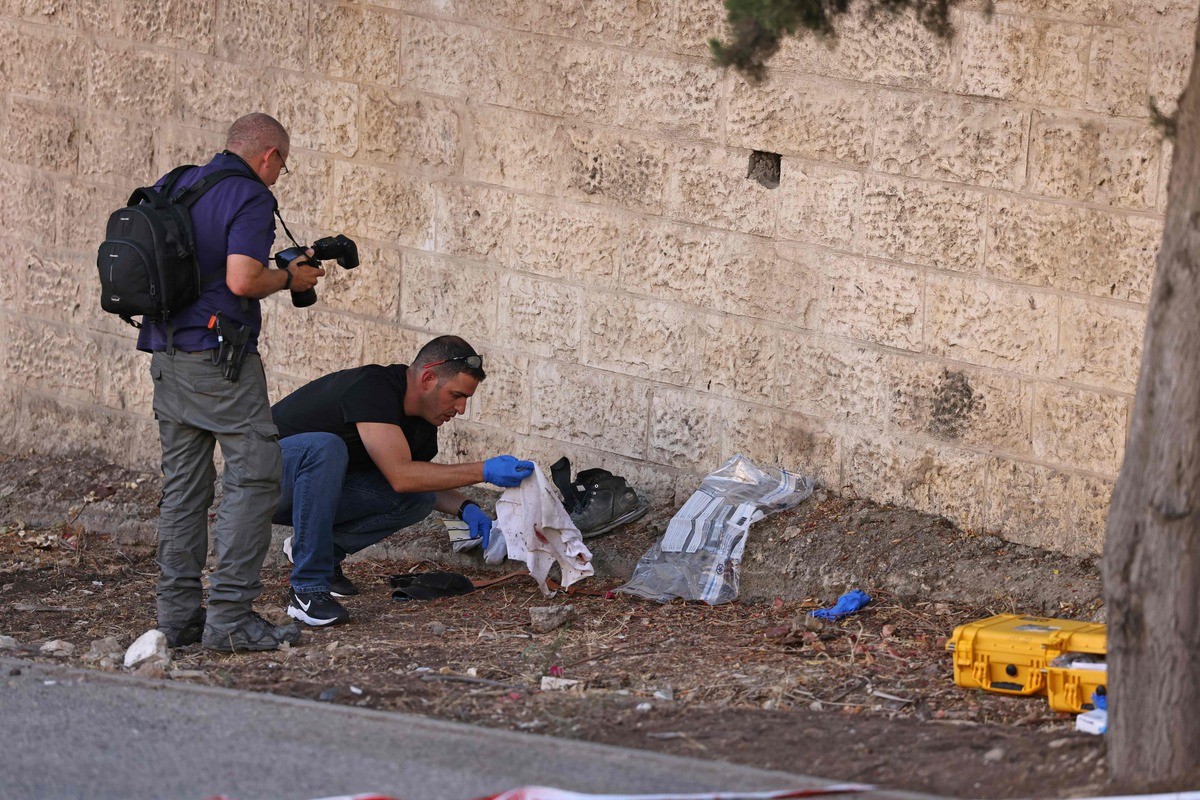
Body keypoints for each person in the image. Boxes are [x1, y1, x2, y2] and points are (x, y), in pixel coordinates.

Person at [142, 113, 326, 653]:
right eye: (281, 167)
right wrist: (289, 277)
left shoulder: (178, 181)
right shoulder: (250, 195)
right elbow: (243, 277)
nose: (276, 178)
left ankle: (176, 618)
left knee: (183, 489)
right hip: (221, 361)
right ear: (268, 156)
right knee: (255, 478)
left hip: (167, 353)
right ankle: (229, 617)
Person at [270, 335, 535, 626]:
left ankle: (320, 553)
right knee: (326, 448)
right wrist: (484, 470)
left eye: (466, 399)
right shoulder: (375, 388)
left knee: (417, 498)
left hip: (308, 490)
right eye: (457, 395)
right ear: (428, 378)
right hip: (262, 476)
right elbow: (401, 475)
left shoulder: (421, 424)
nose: (460, 409)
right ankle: (308, 589)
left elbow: (416, 481)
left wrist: (466, 506)